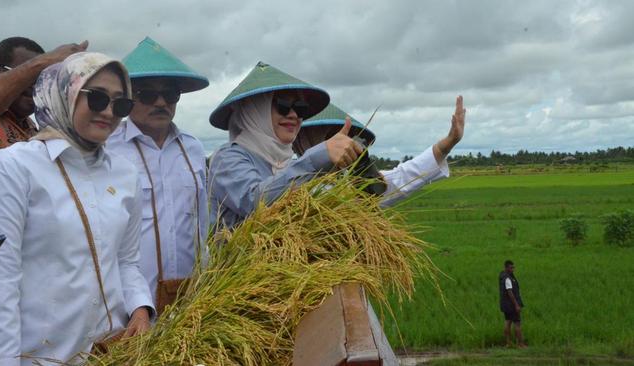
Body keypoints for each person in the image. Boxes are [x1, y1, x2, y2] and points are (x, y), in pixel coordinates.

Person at [0, 52, 154, 366]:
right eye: (98, 98)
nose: (109, 112)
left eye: (121, 104)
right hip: (40, 356)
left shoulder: (126, 173)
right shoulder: (16, 166)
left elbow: (127, 262)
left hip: (111, 353)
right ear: (66, 92)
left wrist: (141, 309)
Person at [106, 37, 210, 314]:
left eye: (171, 94)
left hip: (191, 297)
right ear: (128, 99)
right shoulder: (108, 149)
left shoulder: (193, 148)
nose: (162, 102)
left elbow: (202, 224)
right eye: (148, 95)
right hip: (128, 305)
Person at [208, 61, 363, 229]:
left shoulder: (289, 165)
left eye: (300, 108)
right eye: (282, 106)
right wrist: (317, 159)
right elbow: (254, 202)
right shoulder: (227, 158)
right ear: (255, 110)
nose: (293, 115)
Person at [292, 98, 465, 206]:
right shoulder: (284, 183)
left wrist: (448, 143)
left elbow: (403, 178)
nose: (341, 145)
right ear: (301, 141)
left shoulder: (357, 185)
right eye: (328, 137)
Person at [0, 37, 88, 166]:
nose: (36, 86)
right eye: (30, 75)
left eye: (42, 78)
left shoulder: (35, 129)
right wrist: (45, 61)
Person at [499, 260, 526, 348]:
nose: (513, 269)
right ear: (506, 268)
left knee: (508, 322)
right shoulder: (507, 278)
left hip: (506, 305)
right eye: (511, 268)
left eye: (513, 267)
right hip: (511, 305)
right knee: (517, 324)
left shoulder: (503, 276)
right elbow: (510, 292)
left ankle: (508, 343)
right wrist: (516, 305)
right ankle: (520, 344)